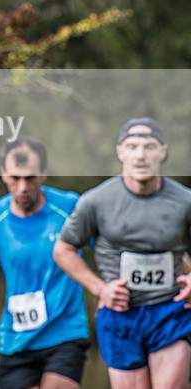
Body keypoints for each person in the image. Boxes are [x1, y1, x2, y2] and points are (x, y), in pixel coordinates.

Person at [53, 117, 191, 389]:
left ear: (163, 151)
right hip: (120, 314)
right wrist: (100, 288)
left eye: (149, 146)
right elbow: (63, 249)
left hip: (170, 309)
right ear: (120, 152)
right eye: (133, 146)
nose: (141, 155)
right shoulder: (95, 201)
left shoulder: (185, 201)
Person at [0, 137, 90, 389]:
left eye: (30, 177)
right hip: (16, 337)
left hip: (64, 330)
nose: (22, 187)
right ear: (3, 173)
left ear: (44, 174)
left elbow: (108, 244)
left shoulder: (70, 207)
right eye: (15, 178)